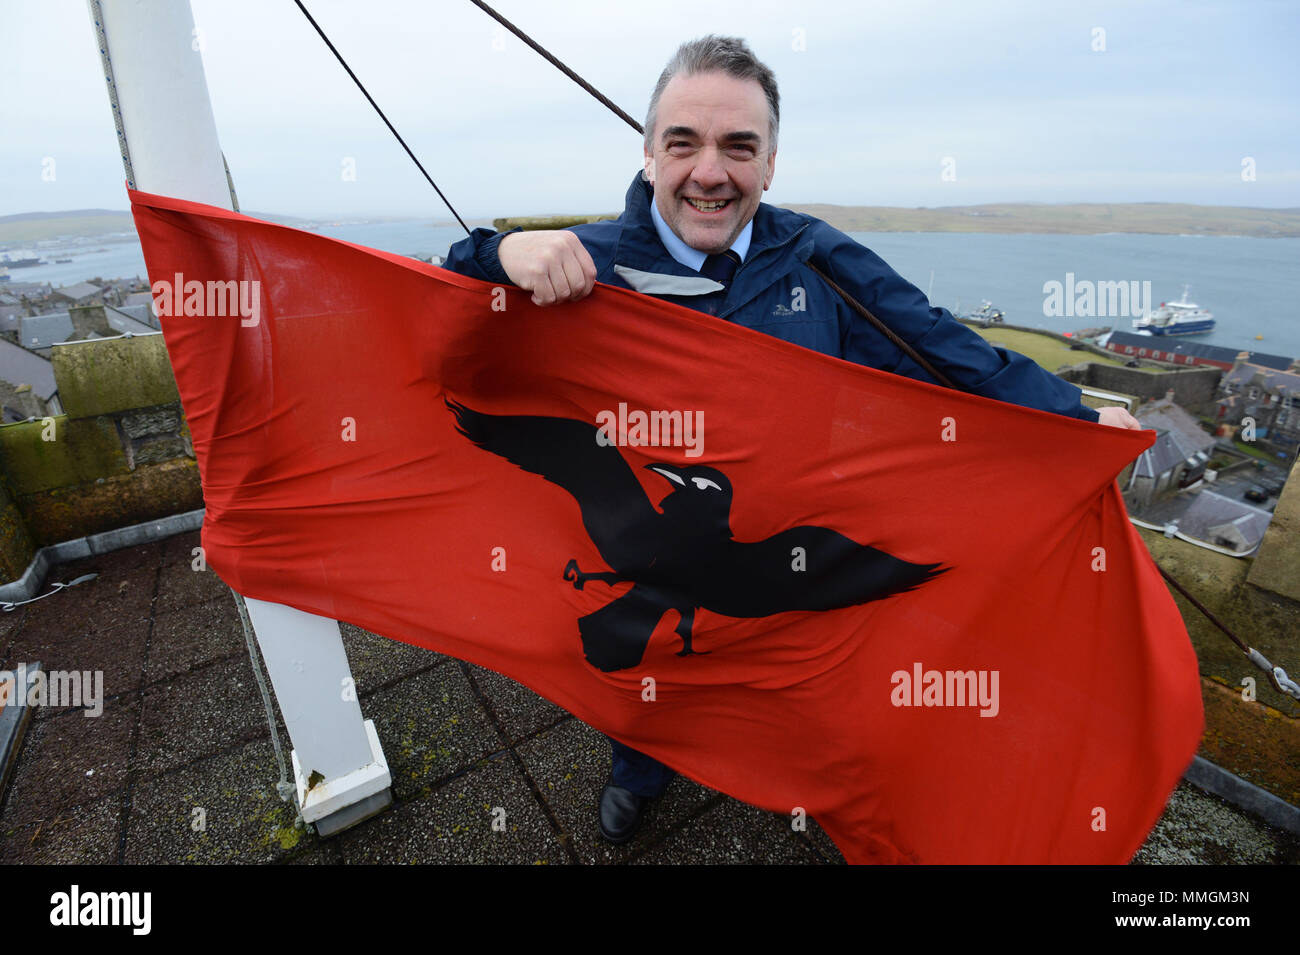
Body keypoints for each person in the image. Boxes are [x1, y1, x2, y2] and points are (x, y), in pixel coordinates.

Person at [441, 34, 1141, 846]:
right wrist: (494, 253)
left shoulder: (818, 260)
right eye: (684, 144)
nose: (711, 172)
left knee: (801, 695)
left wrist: (1078, 422)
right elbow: (435, 317)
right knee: (642, 687)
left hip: (780, 562)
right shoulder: (578, 265)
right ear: (648, 155)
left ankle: (809, 784)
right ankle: (638, 771)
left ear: (770, 164)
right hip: (640, 563)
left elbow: (947, 352)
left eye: (740, 147)